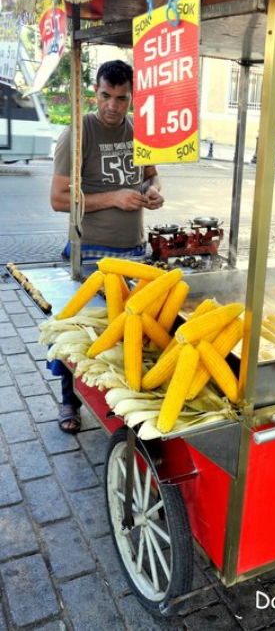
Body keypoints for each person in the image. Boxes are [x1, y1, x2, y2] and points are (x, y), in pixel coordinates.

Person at [50, 59, 164, 433]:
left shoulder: (140, 130)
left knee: (127, 335)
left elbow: (152, 176)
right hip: (92, 252)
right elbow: (59, 199)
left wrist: (154, 193)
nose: (112, 106)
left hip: (135, 251)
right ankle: (69, 402)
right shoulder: (79, 132)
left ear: (132, 97)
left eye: (121, 98)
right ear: (93, 92)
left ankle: (117, 402)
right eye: (104, 96)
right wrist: (112, 198)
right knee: (82, 333)